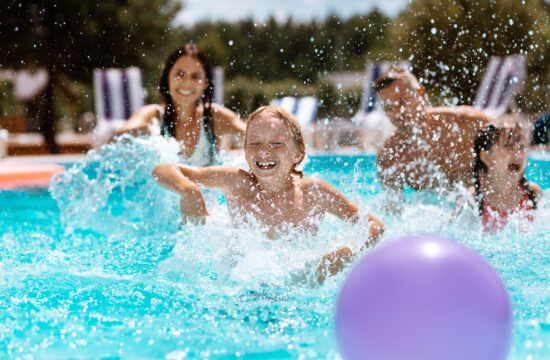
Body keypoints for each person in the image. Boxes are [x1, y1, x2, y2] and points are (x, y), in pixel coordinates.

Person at [152, 105, 384, 282]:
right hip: (242, 287)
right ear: (244, 151)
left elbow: (373, 225)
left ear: (298, 152)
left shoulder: (315, 193)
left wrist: (345, 256)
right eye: (255, 143)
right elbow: (163, 169)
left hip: (300, 287)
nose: (264, 151)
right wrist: (188, 190)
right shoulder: (237, 183)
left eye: (276, 143)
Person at [113, 43, 246, 166]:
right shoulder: (152, 115)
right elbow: (113, 141)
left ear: (205, 83)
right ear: (167, 77)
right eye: (180, 74)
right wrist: (140, 132)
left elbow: (253, 133)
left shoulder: (212, 117)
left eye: (195, 76)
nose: (187, 83)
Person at [375, 66, 493, 193]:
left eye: (401, 102)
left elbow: (512, 143)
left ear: (420, 93)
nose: (396, 112)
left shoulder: (465, 122)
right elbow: (392, 210)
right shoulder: (390, 157)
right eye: (388, 107)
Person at [471, 121, 541, 232]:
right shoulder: (473, 200)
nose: (518, 154)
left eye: (522, 147)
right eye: (510, 146)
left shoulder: (532, 194)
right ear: (487, 157)